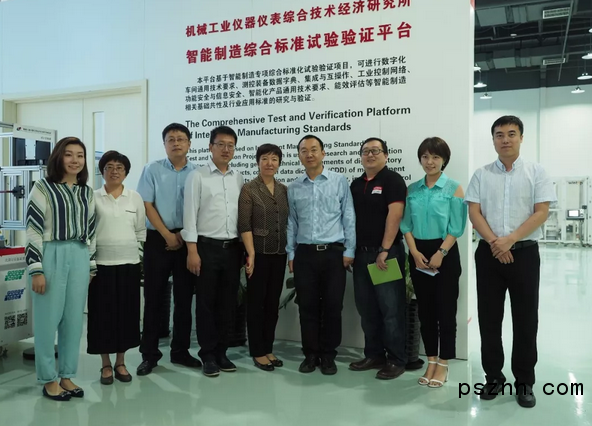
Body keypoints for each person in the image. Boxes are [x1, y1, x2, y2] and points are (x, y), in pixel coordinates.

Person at [465, 116, 556, 407]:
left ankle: (524, 382)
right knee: (489, 318)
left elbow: (541, 212)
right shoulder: (481, 174)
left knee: (526, 319)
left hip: (525, 255)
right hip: (489, 255)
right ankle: (494, 377)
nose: (505, 139)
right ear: (493, 139)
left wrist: (511, 239)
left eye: (511, 134)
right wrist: (496, 242)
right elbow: (474, 212)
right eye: (499, 134)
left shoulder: (536, 172)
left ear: (521, 138)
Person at [26, 137, 96, 401]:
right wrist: (36, 269)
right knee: (47, 321)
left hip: (79, 254)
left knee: (74, 321)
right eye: (69, 154)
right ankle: (48, 379)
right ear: (58, 157)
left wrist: (90, 266)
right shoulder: (42, 187)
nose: (75, 160)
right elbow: (33, 229)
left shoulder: (86, 192)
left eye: (80, 155)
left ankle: (67, 375)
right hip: (51, 253)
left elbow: (91, 231)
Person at [286, 134, 356, 375]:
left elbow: (348, 216)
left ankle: (328, 355)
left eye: (314, 149)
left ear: (323, 153)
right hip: (305, 255)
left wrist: (349, 250)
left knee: (333, 306)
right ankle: (310, 354)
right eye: (304, 150)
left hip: (334, 254)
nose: (309, 154)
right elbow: (292, 222)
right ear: (299, 155)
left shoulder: (339, 181)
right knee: (307, 307)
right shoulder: (294, 187)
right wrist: (291, 254)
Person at [400, 137, 467, 388]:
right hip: (418, 252)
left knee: (445, 312)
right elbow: (406, 224)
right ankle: (430, 360)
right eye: (425, 157)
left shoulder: (454, 188)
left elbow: (456, 227)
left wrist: (441, 252)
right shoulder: (412, 189)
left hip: (445, 253)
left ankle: (444, 363)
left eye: (435, 157)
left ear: (444, 160)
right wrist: (414, 252)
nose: (430, 162)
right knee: (425, 312)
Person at [136, 123, 200, 376]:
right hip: (158, 239)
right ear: (164, 144)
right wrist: (167, 234)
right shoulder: (152, 169)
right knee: (154, 298)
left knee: (184, 299)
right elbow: (146, 205)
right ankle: (149, 355)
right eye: (171, 139)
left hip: (187, 240)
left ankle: (180, 351)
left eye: (181, 139)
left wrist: (183, 235)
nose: (176, 143)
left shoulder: (197, 173)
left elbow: (200, 207)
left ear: (189, 144)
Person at [182, 125, 244, 377]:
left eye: (231, 145)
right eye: (221, 144)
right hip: (206, 248)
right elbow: (190, 215)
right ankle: (207, 354)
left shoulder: (238, 177)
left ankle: (222, 352)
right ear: (210, 147)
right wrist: (192, 250)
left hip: (232, 249)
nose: (226, 149)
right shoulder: (197, 176)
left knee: (227, 303)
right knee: (206, 303)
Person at [349, 137, 408, 380]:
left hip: (385, 254)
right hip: (361, 255)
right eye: (366, 151)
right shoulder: (356, 184)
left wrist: (384, 249)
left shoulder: (392, 180)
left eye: (376, 150)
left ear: (386, 155)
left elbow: (395, 215)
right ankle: (374, 355)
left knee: (391, 309)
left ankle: (396, 359)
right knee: (367, 309)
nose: (370, 155)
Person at [87, 151, 146, 384]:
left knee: (126, 315)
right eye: (109, 167)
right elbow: (88, 233)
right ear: (102, 171)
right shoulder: (92, 197)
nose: (114, 171)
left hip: (129, 265)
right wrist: (91, 265)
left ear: (126, 172)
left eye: (119, 167)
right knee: (102, 316)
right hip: (101, 267)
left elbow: (140, 231)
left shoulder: (135, 198)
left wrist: (140, 261)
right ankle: (105, 364)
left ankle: (120, 362)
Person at [238, 144, 289, 372]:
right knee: (256, 304)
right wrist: (250, 254)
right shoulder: (249, 189)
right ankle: (257, 351)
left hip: (279, 253)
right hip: (257, 255)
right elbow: (244, 224)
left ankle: (268, 348)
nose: (270, 163)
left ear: (279, 163)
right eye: (265, 158)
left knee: (272, 304)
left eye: (274, 159)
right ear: (258, 162)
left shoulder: (283, 190)